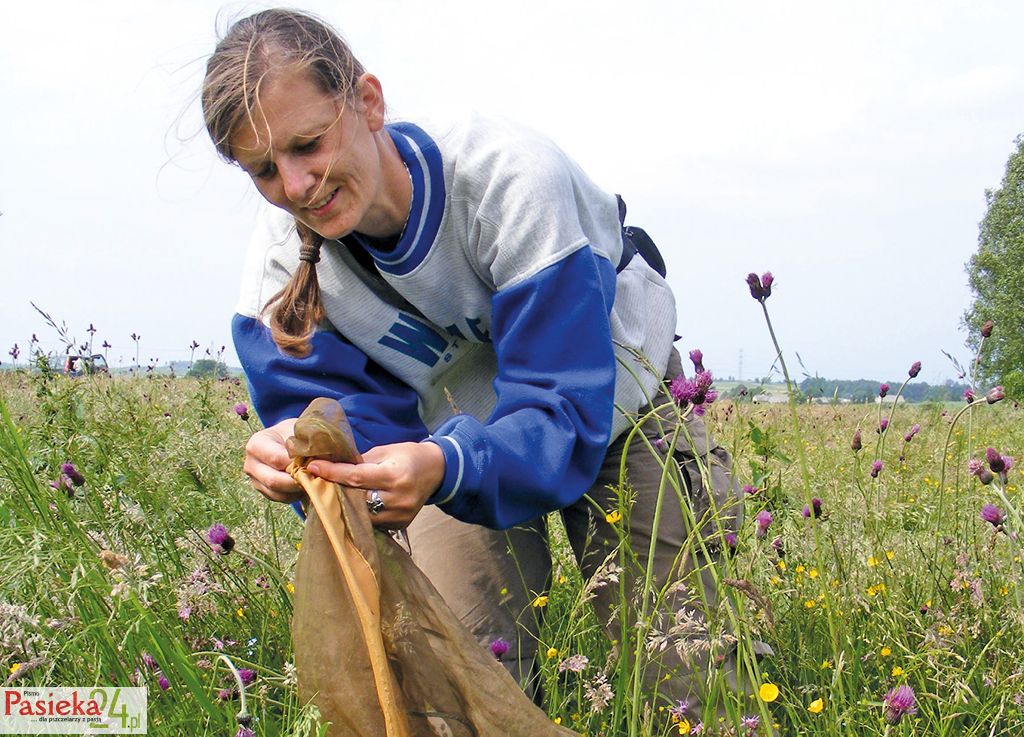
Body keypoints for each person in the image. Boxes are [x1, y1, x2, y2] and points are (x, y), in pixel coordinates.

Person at [203, 7, 746, 716]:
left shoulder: (508, 181)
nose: (297, 185)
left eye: (309, 143)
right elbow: (352, 425)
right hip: (448, 445)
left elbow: (560, 408)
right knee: (464, 676)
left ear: (368, 101)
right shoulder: (278, 276)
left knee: (687, 670)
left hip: (613, 407)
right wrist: (306, 454)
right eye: (265, 170)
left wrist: (446, 466)